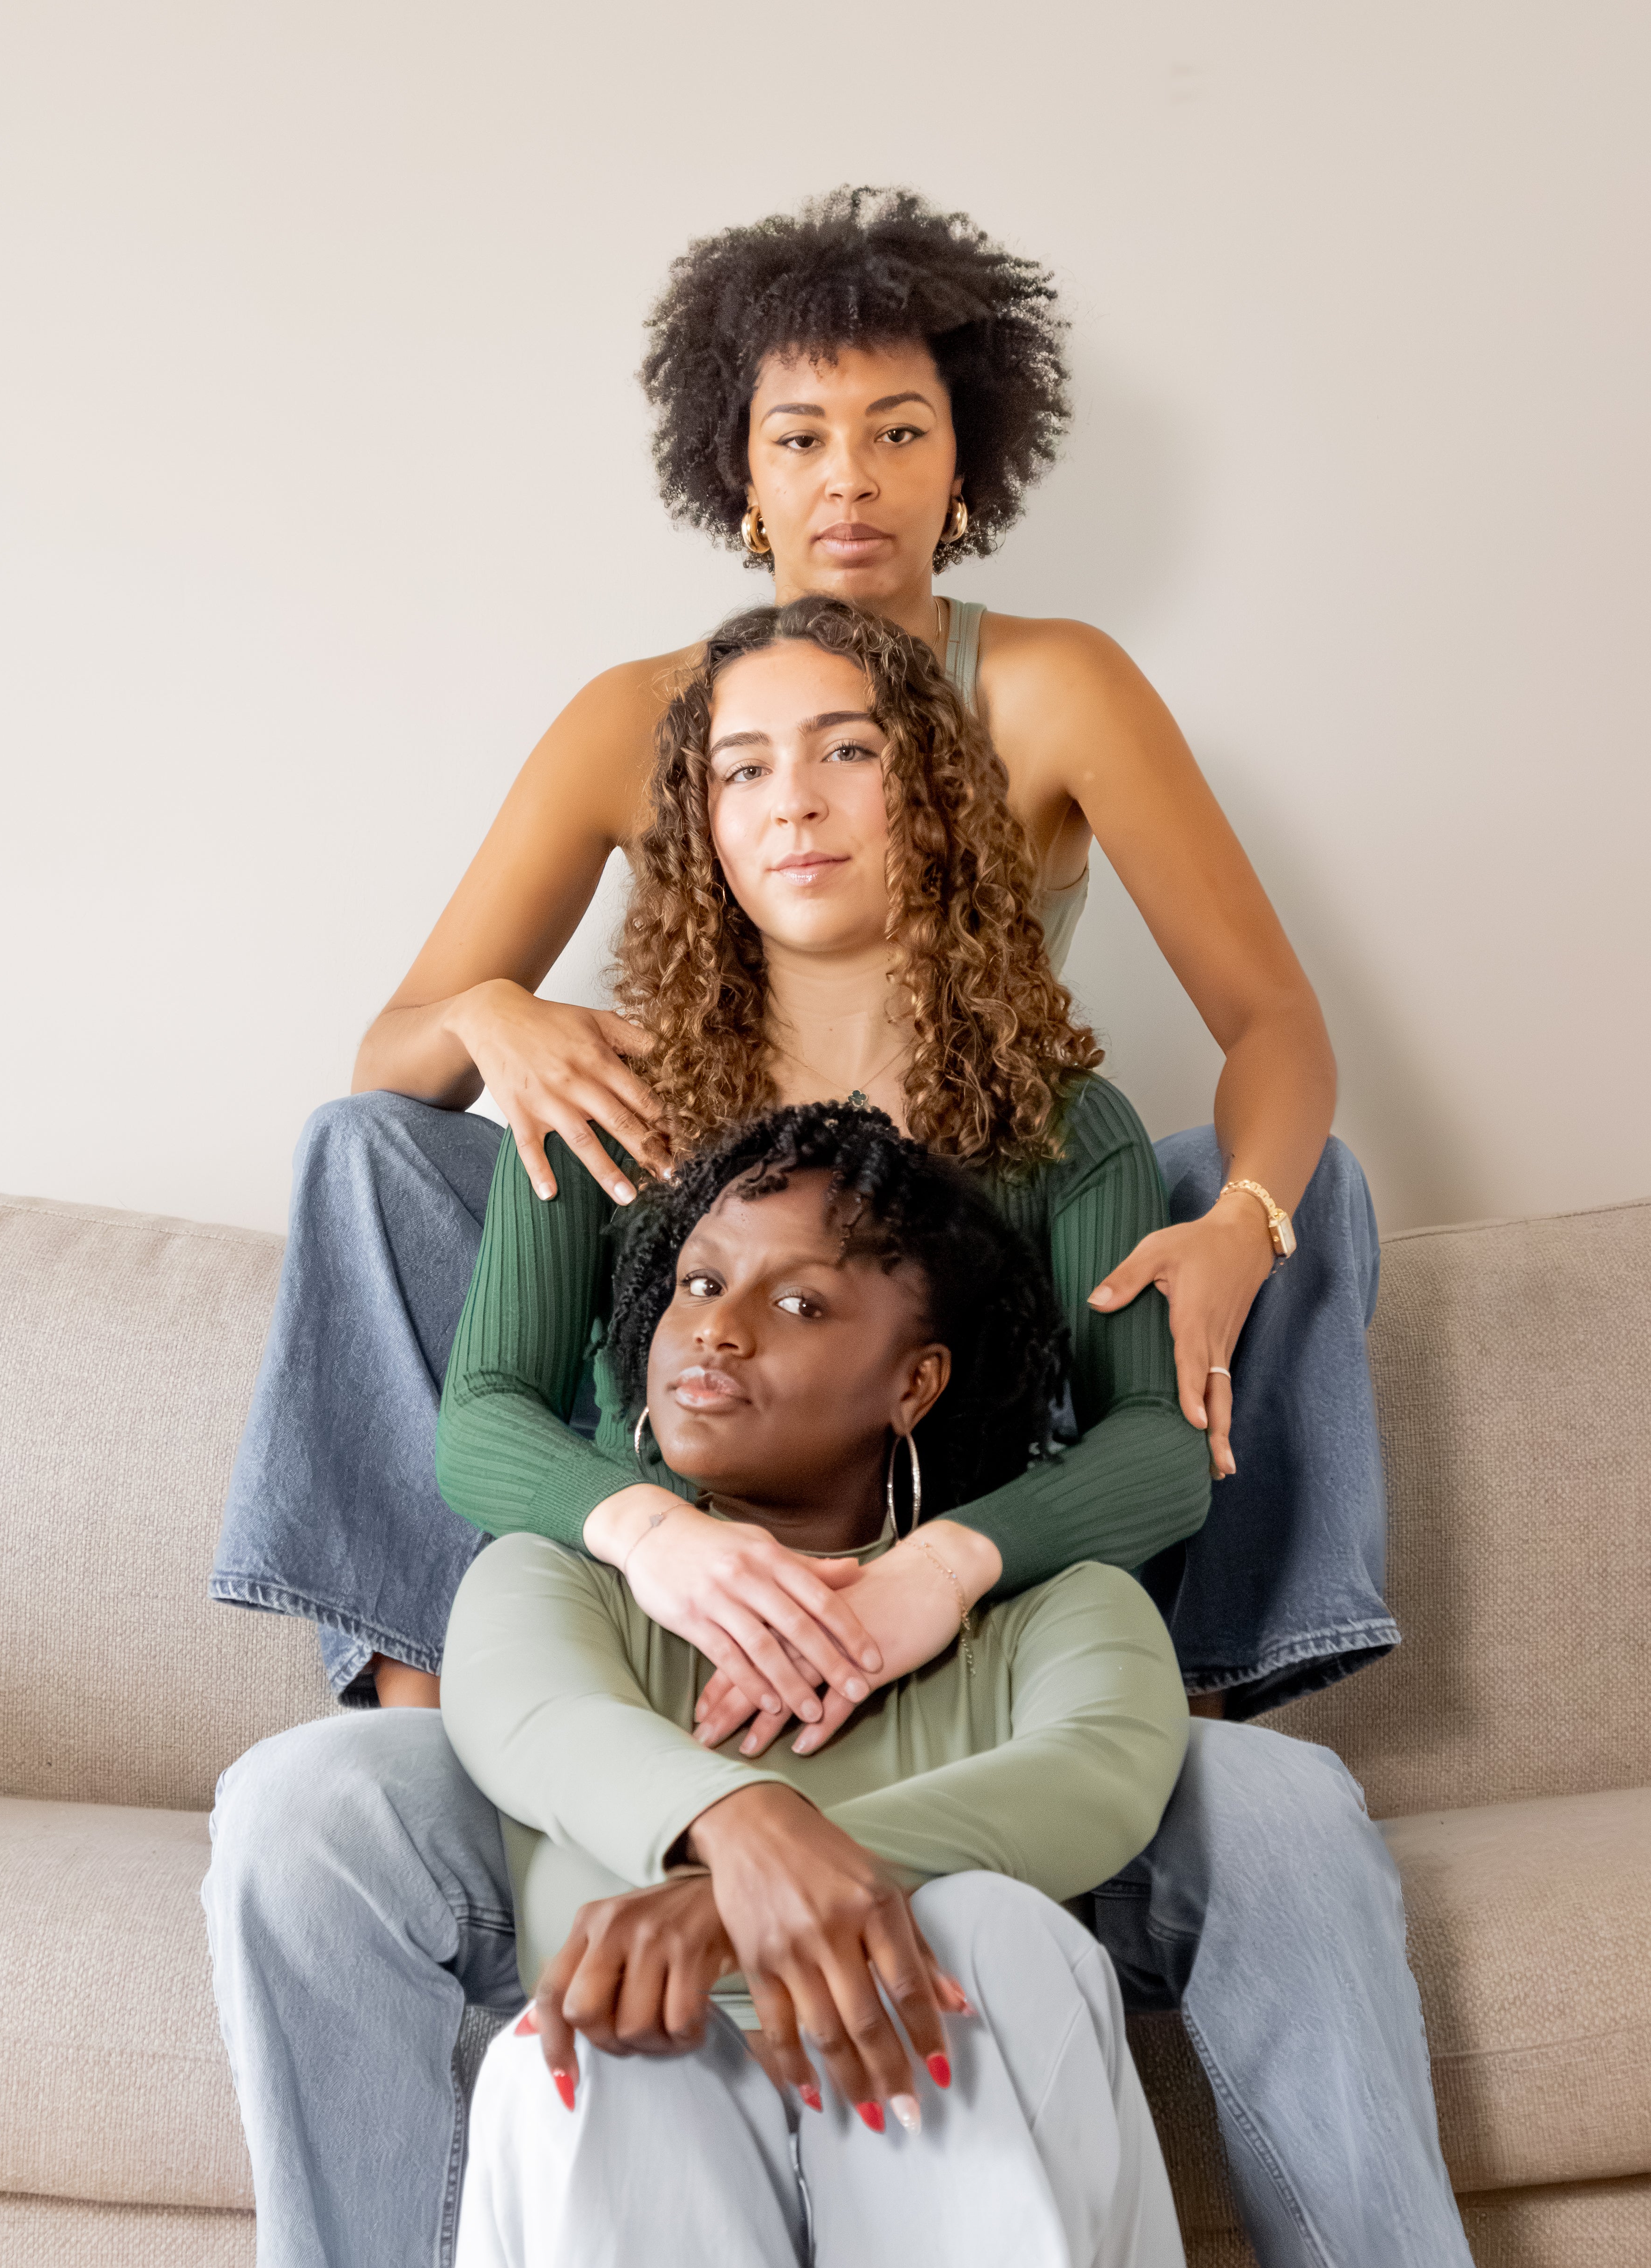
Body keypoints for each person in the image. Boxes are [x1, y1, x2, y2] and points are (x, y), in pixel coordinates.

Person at [203, 599, 1471, 2268]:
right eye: (740, 772)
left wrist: (942, 1571)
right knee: (299, 1809)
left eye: (846, 753)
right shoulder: (607, 1094)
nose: (788, 802)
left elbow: (1155, 1454)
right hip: (650, 1664)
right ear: (695, 828)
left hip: (944, 1668)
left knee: (1292, 1812)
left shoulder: (1061, 1122)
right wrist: (656, 1532)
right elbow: (485, 1427)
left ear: (936, 792)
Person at [211, 186, 1392, 1724]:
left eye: (899, 433)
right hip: (729, 1218)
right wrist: (497, 1014)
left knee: (1313, 1194)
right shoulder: (633, 721)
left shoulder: (1059, 689)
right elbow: (393, 1060)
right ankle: (422, 1703)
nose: (852, 480)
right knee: (362, 1147)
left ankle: (1208, 1701)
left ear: (968, 464)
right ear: (739, 478)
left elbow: (1274, 1020)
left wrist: (1243, 1218)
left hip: (986, 1225)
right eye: (800, 439)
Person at [443, 1103, 1190, 2268]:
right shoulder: (559, 1578)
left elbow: (1101, 1768)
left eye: (798, 1303)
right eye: (698, 1284)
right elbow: (537, 1719)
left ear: (916, 1381)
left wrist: (733, 1895)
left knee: (995, 1926)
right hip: (661, 2129)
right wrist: (740, 1828)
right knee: (573, 2052)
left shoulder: (1055, 1606)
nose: (718, 1330)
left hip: (944, 2115)